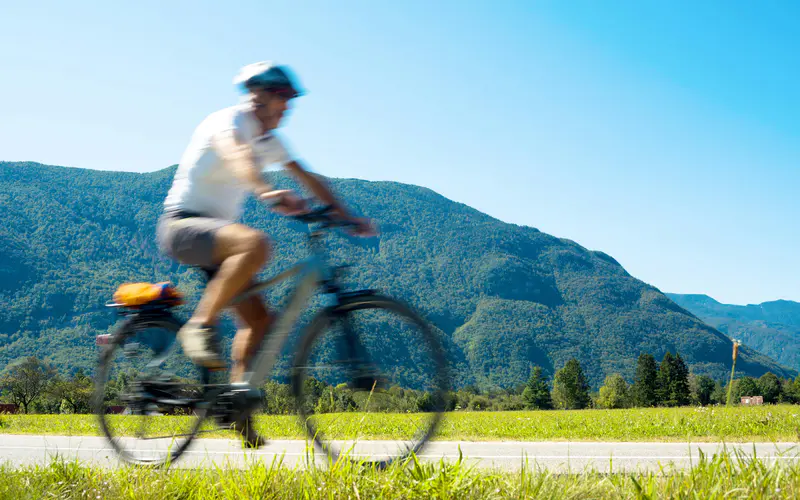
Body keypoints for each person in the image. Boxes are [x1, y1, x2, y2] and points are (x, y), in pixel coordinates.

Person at [157, 61, 374, 446]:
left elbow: (309, 178)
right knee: (255, 243)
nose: (288, 107)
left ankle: (236, 407)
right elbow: (238, 156)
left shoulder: (269, 140)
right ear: (260, 96)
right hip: (183, 227)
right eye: (283, 98)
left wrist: (348, 216)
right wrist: (265, 190)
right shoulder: (229, 122)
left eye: (291, 100)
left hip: (217, 243)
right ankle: (198, 325)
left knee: (260, 320)